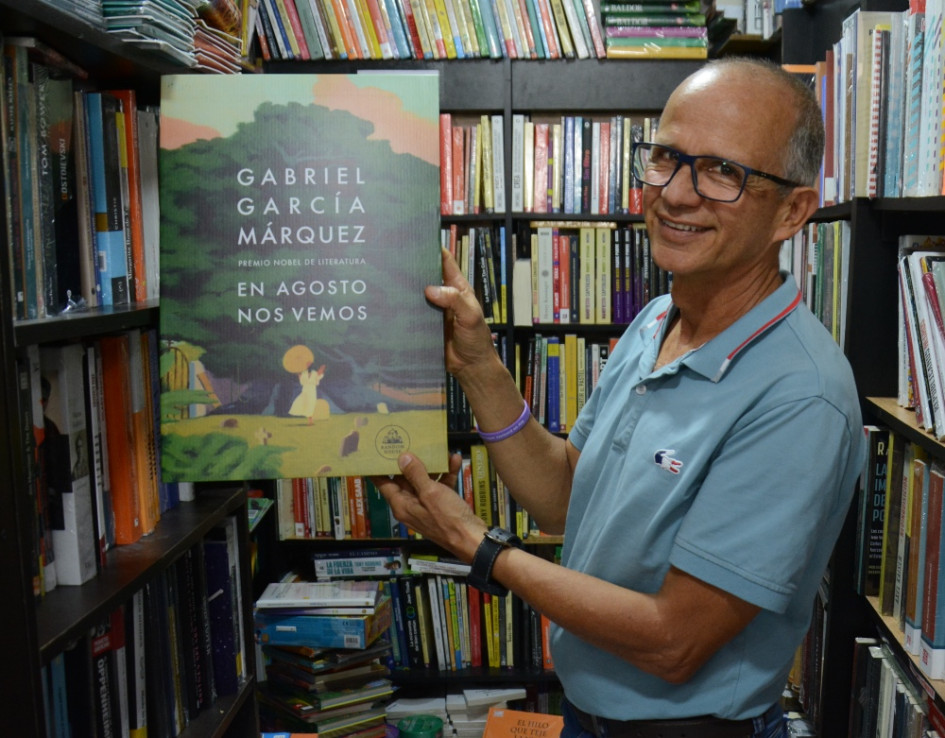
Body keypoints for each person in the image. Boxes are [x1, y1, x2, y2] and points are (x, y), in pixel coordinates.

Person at [373, 57, 867, 738]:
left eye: (723, 172)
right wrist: (477, 365)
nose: (676, 193)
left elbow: (673, 642)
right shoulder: (655, 320)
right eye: (665, 157)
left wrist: (475, 545)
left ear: (791, 211)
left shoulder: (801, 396)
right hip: (587, 717)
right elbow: (563, 499)